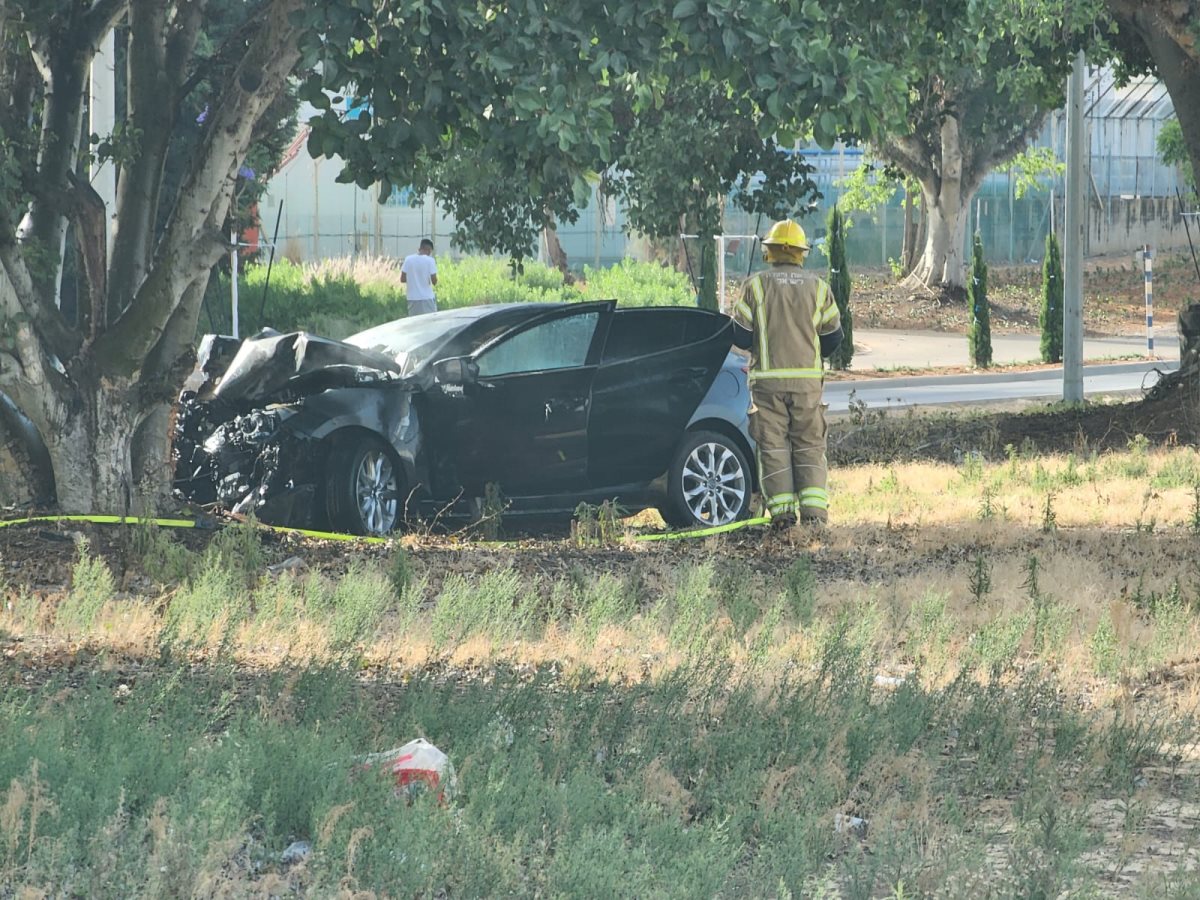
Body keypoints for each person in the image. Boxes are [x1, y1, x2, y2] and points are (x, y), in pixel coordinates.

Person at [732, 219, 843, 530]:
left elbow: (740, 336)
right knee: (809, 445)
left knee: (774, 447)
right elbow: (833, 338)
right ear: (801, 252)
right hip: (807, 384)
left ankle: (782, 518)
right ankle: (815, 516)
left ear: (769, 251)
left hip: (767, 385)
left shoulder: (755, 286)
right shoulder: (819, 288)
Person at [401, 238, 439, 316]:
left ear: (420, 248)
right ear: (429, 250)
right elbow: (434, 281)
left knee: (415, 322)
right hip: (427, 298)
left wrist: (413, 279)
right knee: (430, 321)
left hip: (412, 298)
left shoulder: (408, 259)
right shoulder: (430, 260)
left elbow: (402, 279)